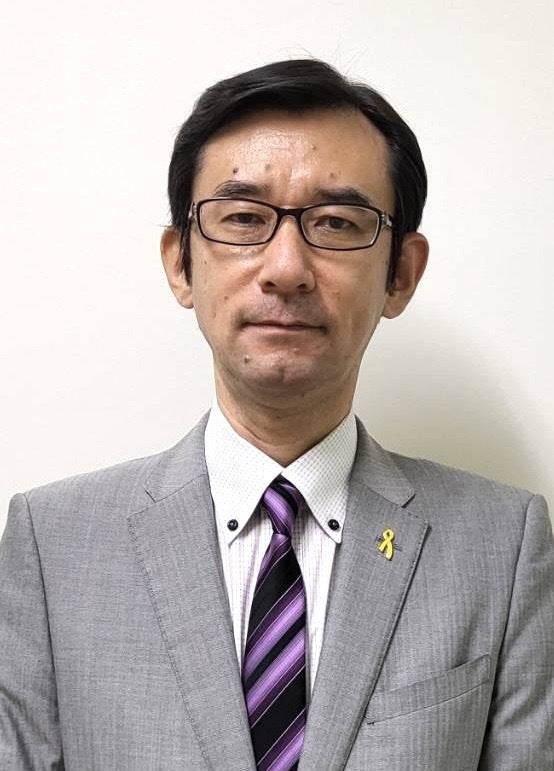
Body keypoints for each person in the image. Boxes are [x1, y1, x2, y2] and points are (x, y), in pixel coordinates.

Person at [1, 59, 552, 771]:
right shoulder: (53, 545)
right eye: (243, 219)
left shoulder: (503, 546)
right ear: (180, 263)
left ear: (401, 273)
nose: (286, 267)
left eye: (337, 222)